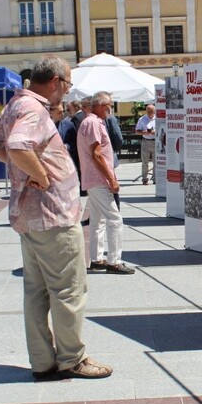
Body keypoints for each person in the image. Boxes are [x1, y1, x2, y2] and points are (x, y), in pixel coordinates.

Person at [0, 56, 113, 380]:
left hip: (31, 216)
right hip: (52, 215)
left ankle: (42, 361)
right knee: (69, 289)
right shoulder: (33, 108)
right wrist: (38, 174)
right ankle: (72, 359)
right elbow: (15, 145)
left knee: (37, 291)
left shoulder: (17, 103)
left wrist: (22, 171)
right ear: (55, 81)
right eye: (67, 86)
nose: (67, 94)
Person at [77, 91, 134, 275]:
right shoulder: (93, 123)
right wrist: (111, 178)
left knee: (97, 221)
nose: (110, 110)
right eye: (109, 106)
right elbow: (97, 154)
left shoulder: (89, 121)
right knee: (115, 220)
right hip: (99, 179)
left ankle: (97, 259)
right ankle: (114, 262)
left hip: (93, 179)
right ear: (102, 106)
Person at [103, 101, 123, 210]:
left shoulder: (110, 119)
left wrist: (113, 150)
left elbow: (118, 138)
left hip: (109, 156)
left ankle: (116, 207)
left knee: (111, 183)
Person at [135, 104, 156, 185]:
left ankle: (155, 178)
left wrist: (155, 132)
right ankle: (144, 178)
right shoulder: (142, 119)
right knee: (145, 162)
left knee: (156, 162)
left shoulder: (158, 118)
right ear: (146, 111)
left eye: (151, 111)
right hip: (146, 141)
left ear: (154, 111)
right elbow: (137, 131)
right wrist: (146, 132)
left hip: (155, 141)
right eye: (148, 111)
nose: (150, 112)